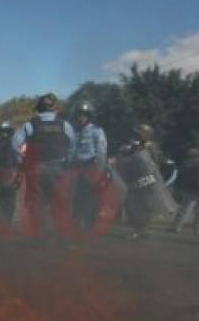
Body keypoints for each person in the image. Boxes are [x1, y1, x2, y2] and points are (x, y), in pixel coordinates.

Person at [11, 93, 75, 241]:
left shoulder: (30, 124)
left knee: (37, 205)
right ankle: (61, 238)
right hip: (58, 168)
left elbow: (15, 144)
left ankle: (42, 239)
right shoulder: (65, 125)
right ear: (55, 109)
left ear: (39, 108)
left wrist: (22, 160)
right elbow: (72, 147)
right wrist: (66, 162)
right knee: (59, 203)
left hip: (36, 169)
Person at [117, 124, 175, 240]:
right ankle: (141, 229)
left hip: (147, 179)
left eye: (140, 133)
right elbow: (124, 155)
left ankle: (141, 230)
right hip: (138, 178)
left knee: (142, 205)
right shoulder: (134, 145)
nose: (137, 135)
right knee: (136, 204)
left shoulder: (150, 147)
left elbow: (157, 162)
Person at [70, 101, 108, 233]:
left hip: (91, 168)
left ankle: (87, 230)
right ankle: (75, 230)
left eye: (85, 115)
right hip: (75, 169)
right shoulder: (74, 131)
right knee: (75, 201)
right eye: (79, 114)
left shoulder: (97, 131)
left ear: (90, 116)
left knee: (90, 201)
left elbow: (101, 153)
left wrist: (98, 173)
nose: (81, 117)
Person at [171, 147, 199, 235]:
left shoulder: (189, 162)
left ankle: (176, 227)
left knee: (185, 209)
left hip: (191, 189)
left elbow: (183, 174)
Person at [0, 121, 21, 227]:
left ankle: (3, 222)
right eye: (3, 132)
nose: (4, 134)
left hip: (1, 174)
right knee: (10, 200)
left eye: (5, 132)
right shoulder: (13, 144)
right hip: (9, 174)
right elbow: (17, 159)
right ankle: (6, 223)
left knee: (4, 199)